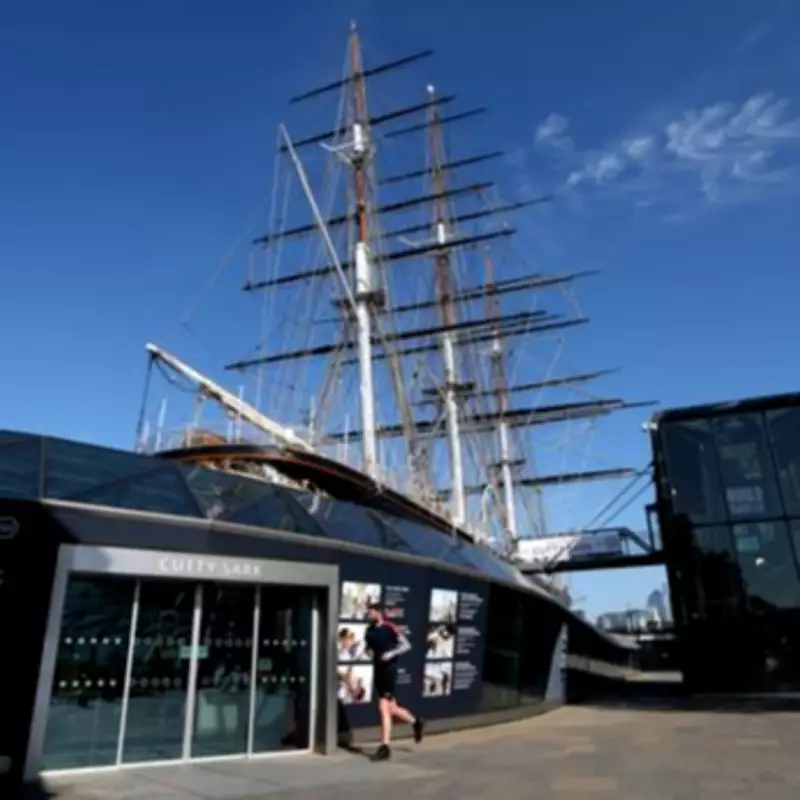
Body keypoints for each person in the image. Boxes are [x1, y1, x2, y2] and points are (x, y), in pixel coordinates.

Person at [364, 601, 424, 761]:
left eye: (370, 612)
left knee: (383, 707)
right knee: (392, 708)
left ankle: (385, 747)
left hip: (389, 672)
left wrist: (391, 654)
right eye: (368, 613)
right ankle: (416, 722)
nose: (368, 615)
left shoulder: (389, 627)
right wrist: (369, 653)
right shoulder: (368, 631)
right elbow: (368, 649)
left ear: (378, 613)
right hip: (378, 671)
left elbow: (406, 645)